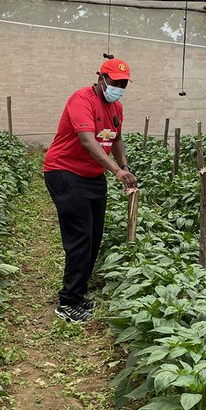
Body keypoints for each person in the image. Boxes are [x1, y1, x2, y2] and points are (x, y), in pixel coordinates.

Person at [43, 58, 138, 322]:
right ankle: (67, 302)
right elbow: (87, 140)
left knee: (94, 237)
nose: (119, 88)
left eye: (123, 84)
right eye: (115, 83)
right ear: (101, 79)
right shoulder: (82, 100)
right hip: (64, 172)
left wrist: (124, 166)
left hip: (93, 175)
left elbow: (116, 139)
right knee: (80, 238)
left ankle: (78, 293)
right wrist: (116, 171)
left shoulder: (116, 107)